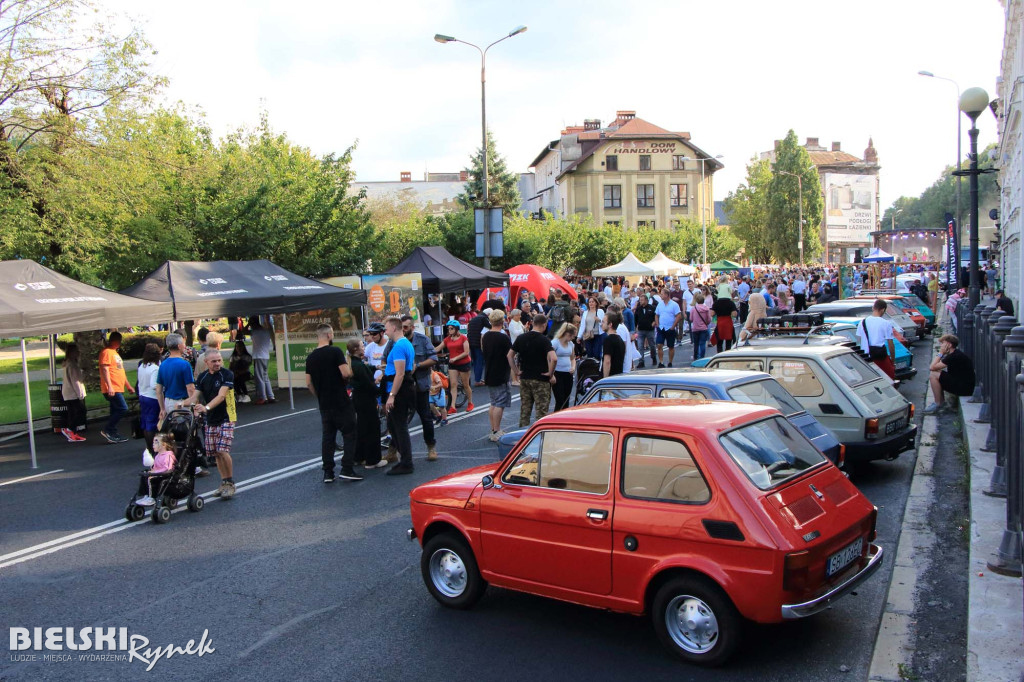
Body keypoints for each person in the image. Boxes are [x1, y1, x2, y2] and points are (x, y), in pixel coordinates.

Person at [304, 324, 362, 483]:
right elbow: (345, 373)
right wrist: (350, 371)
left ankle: (328, 472)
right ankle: (347, 468)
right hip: (340, 400)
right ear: (329, 335)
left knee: (328, 437)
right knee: (349, 433)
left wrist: (319, 395)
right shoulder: (335, 351)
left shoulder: (311, 357)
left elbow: (308, 383)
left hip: (324, 403)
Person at [183, 349, 240, 497]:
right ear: (206, 362)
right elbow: (194, 397)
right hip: (211, 420)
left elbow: (221, 396)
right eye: (214, 361)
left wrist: (206, 408)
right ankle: (223, 482)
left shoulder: (227, 374)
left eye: (219, 360)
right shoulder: (202, 377)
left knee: (223, 450)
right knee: (215, 453)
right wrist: (180, 404)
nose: (217, 363)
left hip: (227, 417)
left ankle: (230, 483)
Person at [401, 314, 439, 462]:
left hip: (419, 386)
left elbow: (433, 358)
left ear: (412, 327)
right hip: (402, 386)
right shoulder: (396, 342)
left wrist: (418, 365)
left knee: (425, 417)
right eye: (401, 327)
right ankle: (393, 449)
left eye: (405, 327)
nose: (403, 330)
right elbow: (386, 357)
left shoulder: (422, 340)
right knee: (398, 419)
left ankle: (431, 447)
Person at [382, 316, 416, 475]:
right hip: (401, 387)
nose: (385, 331)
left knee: (399, 426)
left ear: (394, 328)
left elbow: (400, 373)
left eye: (386, 328)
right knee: (394, 425)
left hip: (400, 390)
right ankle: (404, 460)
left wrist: (392, 395)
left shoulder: (399, 346)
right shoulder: (403, 344)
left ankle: (406, 463)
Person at [513, 314, 556, 428]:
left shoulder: (521, 338)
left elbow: (509, 355)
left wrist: (516, 370)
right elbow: (554, 358)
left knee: (525, 409)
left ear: (532, 323)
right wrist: (550, 373)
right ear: (544, 324)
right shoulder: (544, 340)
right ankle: (538, 434)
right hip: (540, 378)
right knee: (541, 411)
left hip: (525, 376)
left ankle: (522, 434)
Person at [346, 338, 383, 468]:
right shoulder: (359, 366)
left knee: (362, 428)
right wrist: (381, 391)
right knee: (372, 428)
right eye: (362, 345)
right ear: (356, 349)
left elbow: (366, 369)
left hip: (358, 400)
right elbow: (369, 385)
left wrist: (376, 366)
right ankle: (373, 460)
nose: (364, 347)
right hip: (367, 400)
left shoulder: (353, 364)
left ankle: (359, 456)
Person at [482, 309, 514, 442]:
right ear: (502, 321)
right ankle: (496, 430)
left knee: (493, 402)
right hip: (501, 372)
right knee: (499, 403)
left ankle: (493, 429)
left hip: (490, 370)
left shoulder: (486, 336)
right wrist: (515, 370)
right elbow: (510, 355)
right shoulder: (503, 337)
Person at [925, 334, 976, 414]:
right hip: (964, 386)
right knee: (936, 373)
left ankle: (938, 403)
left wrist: (941, 353)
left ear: (949, 344)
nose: (941, 345)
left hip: (964, 388)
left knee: (933, 374)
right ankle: (941, 403)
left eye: (942, 343)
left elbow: (932, 367)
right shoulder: (955, 354)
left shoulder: (954, 356)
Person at [98, 332, 134, 444]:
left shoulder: (114, 353)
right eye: (119, 341)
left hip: (118, 387)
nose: (120, 343)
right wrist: (109, 386)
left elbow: (120, 371)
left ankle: (112, 432)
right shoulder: (106, 352)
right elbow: (105, 369)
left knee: (115, 410)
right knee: (122, 408)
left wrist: (128, 386)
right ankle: (108, 429)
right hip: (112, 387)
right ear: (115, 341)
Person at [156, 333, 197, 427]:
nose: (185, 346)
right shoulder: (184, 364)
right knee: (184, 431)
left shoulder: (163, 364)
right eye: (183, 343)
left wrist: (162, 408)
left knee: (172, 432)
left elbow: (158, 390)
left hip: (168, 401)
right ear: (179, 346)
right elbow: (190, 388)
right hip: (181, 402)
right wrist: (194, 405)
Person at [436, 319, 473, 413]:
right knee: (453, 384)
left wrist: (456, 358)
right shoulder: (447, 339)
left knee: (465, 385)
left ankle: (470, 403)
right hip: (453, 364)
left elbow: (466, 352)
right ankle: (452, 406)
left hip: (464, 363)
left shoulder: (463, 338)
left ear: (456, 329)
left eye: (451, 329)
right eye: (448, 329)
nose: (449, 331)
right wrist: (428, 351)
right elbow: (438, 348)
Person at [133, 434, 178, 507]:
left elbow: (167, 469)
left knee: (151, 479)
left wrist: (155, 472)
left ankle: (151, 498)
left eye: (156, 443)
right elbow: (155, 466)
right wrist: (152, 470)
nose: (153, 445)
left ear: (164, 445)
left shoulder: (168, 455)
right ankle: (146, 495)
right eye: (153, 443)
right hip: (158, 473)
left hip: (165, 475)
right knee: (144, 476)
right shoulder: (157, 455)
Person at [856, 299, 897, 380]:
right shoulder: (886, 323)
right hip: (880, 356)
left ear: (873, 308)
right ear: (883, 310)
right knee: (889, 378)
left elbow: (859, 340)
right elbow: (890, 344)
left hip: (865, 357)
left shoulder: (862, 322)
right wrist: (892, 360)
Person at [136, 343, 162, 455]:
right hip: (152, 398)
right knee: (152, 424)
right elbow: (154, 385)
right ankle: (153, 449)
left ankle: (149, 447)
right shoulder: (155, 368)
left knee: (146, 423)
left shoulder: (142, 365)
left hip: (142, 396)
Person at [60, 344, 87, 442]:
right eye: (76, 351)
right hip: (73, 393)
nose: (78, 353)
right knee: (79, 411)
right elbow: (76, 381)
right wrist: (80, 394)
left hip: (68, 392)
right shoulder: (72, 365)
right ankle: (70, 430)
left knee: (73, 413)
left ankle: (73, 433)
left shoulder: (68, 363)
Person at [249, 318, 275, 405]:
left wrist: (247, 324)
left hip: (258, 356)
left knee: (259, 377)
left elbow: (243, 331)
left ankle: (263, 397)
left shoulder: (254, 332)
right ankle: (271, 396)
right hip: (265, 356)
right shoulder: (266, 331)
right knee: (265, 377)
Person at [552, 323, 577, 411]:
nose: (573, 338)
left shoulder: (571, 344)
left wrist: (573, 367)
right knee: (560, 399)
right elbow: (549, 358)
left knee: (566, 399)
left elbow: (572, 358)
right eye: (572, 335)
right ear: (567, 334)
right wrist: (551, 374)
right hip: (557, 373)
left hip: (568, 373)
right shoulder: (555, 343)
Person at [655, 288, 682, 368]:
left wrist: (673, 326)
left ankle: (670, 362)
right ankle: (661, 362)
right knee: (659, 344)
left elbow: (678, 316)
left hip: (670, 328)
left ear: (667, 295)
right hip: (661, 328)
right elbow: (656, 315)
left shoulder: (674, 304)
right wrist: (657, 324)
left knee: (670, 346)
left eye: (662, 294)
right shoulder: (660, 304)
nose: (661, 295)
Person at [466, 307, 489, 386]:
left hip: (471, 342)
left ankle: (477, 379)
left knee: (476, 361)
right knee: (480, 361)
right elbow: (491, 326)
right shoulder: (484, 318)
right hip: (478, 343)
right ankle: (477, 380)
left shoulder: (475, 318)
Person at [634, 293, 657, 369]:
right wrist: (635, 327)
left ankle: (653, 357)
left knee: (652, 345)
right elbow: (635, 319)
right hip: (641, 330)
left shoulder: (652, 308)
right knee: (640, 346)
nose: (641, 301)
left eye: (642, 300)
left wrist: (654, 323)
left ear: (646, 300)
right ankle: (641, 361)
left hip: (649, 330)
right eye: (640, 300)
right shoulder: (638, 309)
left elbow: (655, 317)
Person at [602, 312, 626, 377]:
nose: (601, 324)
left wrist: (605, 379)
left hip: (610, 377)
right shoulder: (620, 338)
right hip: (618, 375)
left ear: (610, 324)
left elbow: (607, 361)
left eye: (603, 322)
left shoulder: (608, 340)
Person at [689, 292, 712, 361]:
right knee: (702, 343)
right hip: (704, 328)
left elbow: (691, 319)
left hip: (695, 328)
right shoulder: (707, 309)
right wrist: (706, 323)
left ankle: (695, 357)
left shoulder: (693, 309)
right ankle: (702, 357)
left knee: (696, 344)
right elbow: (709, 319)